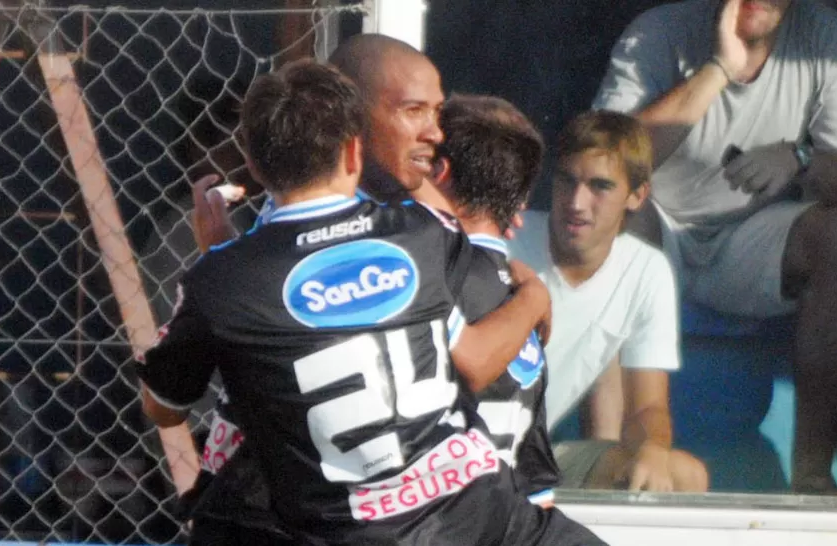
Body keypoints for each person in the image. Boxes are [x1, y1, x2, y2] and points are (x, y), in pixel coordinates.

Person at [138, 60, 605, 545]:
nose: (432, 131)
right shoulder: (421, 236)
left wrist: (216, 258)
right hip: (477, 515)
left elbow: (164, 408)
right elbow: (473, 359)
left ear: (252, 165)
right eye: (416, 110)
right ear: (354, 149)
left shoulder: (222, 278)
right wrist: (533, 294)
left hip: (347, 529)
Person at [593, 0, 837, 492]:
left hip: (750, 237)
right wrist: (719, 69)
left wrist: (800, 158)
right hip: (658, 224)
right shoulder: (659, 31)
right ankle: (605, 462)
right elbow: (603, 161)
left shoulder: (821, 36)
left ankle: (812, 477)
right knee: (616, 210)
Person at [507, 110, 707, 493]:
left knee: (683, 476)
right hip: (460, 459)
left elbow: (648, 408)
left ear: (637, 195)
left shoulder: (647, 270)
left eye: (599, 186)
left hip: (534, 459)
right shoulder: (506, 241)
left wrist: (651, 449)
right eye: (567, 180)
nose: (577, 202)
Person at [423, 93, 559, 506]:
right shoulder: (521, 301)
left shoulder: (425, 272)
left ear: (439, 173)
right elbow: (538, 488)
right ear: (518, 202)